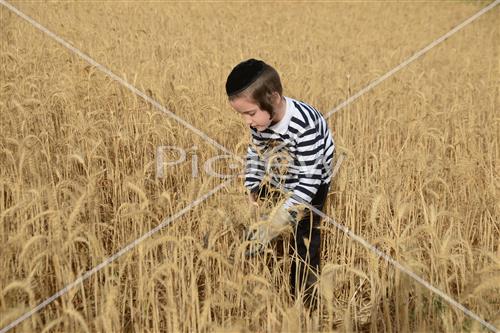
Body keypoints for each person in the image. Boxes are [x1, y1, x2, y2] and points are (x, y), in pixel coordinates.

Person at [225, 58, 335, 310]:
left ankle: (305, 302)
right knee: (266, 216)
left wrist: (277, 221)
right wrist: (252, 187)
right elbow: (256, 153)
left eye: (249, 113)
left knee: (305, 239)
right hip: (283, 172)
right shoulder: (260, 121)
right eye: (242, 115)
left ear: (273, 98)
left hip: (313, 178)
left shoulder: (304, 125)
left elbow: (309, 180)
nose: (247, 122)